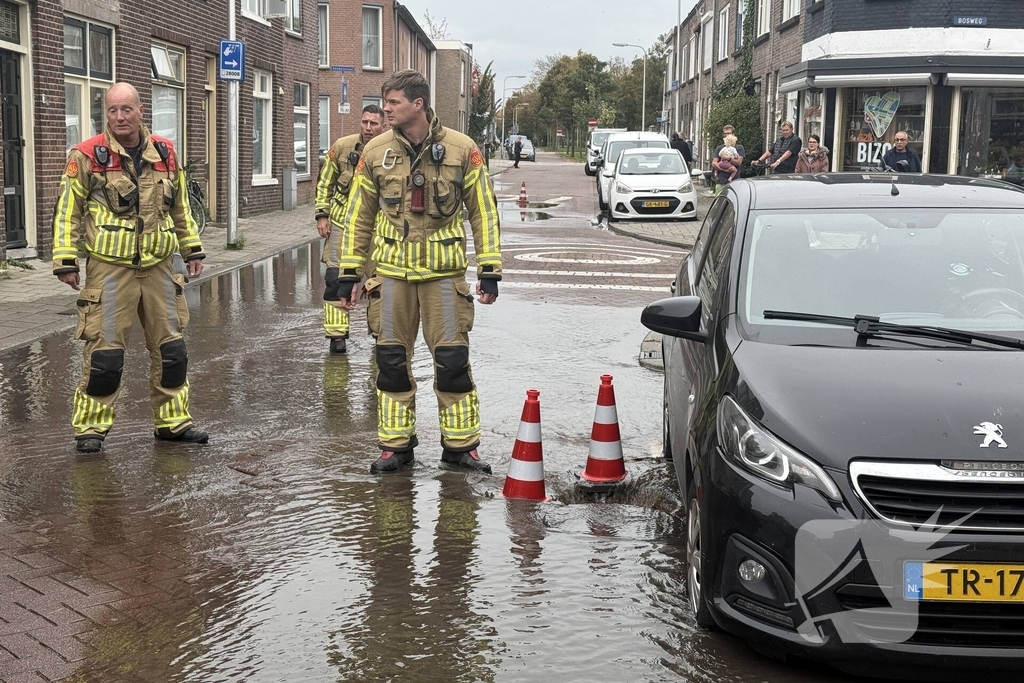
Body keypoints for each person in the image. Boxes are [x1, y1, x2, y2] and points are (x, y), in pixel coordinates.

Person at [336, 69, 502, 475]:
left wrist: (489, 268)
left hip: (443, 276)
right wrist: (349, 272)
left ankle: (461, 447)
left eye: (393, 102)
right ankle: (395, 447)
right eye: (385, 102)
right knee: (391, 361)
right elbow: (359, 215)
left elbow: (483, 210)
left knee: (452, 362)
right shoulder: (375, 152)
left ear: (418, 104)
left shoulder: (463, 150)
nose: (386, 109)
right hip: (391, 275)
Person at [52, 82, 207, 454]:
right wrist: (66, 260)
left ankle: (173, 423)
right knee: (104, 355)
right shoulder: (86, 155)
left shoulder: (165, 152)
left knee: (172, 350)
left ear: (140, 110)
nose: (119, 117)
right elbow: (67, 211)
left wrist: (192, 250)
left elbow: (181, 208)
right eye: (112, 110)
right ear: (105, 113)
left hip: (160, 268)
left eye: (126, 109)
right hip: (110, 270)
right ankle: (90, 429)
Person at [314, 104, 386, 354]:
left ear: (383, 126)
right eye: (365, 122)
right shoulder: (342, 147)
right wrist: (322, 215)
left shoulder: (392, 151)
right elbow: (325, 182)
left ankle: (380, 334)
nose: (368, 127)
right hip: (342, 224)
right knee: (335, 278)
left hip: (379, 226)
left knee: (380, 282)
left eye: (373, 123)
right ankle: (337, 337)